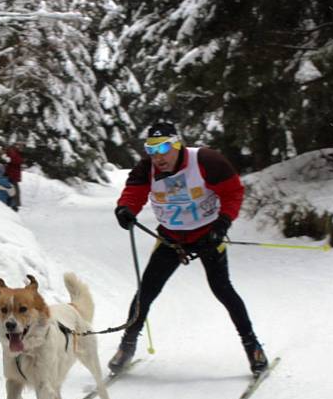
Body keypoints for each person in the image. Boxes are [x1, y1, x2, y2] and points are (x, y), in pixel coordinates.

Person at [109, 121, 268, 376]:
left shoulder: (206, 160)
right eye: (151, 149)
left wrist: (223, 223)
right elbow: (133, 193)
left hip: (207, 235)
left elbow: (233, 192)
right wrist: (125, 209)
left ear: (177, 144)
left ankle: (253, 346)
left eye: (164, 148)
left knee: (222, 289)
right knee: (147, 291)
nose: (158, 156)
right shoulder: (146, 168)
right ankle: (126, 345)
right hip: (171, 238)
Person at [3, 142, 24, 211]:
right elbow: (15, 160)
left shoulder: (15, 151)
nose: (21, 147)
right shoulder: (12, 151)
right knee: (14, 190)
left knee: (14, 190)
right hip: (11, 175)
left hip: (13, 175)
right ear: (16, 145)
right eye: (20, 145)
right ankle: (14, 205)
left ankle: (14, 204)